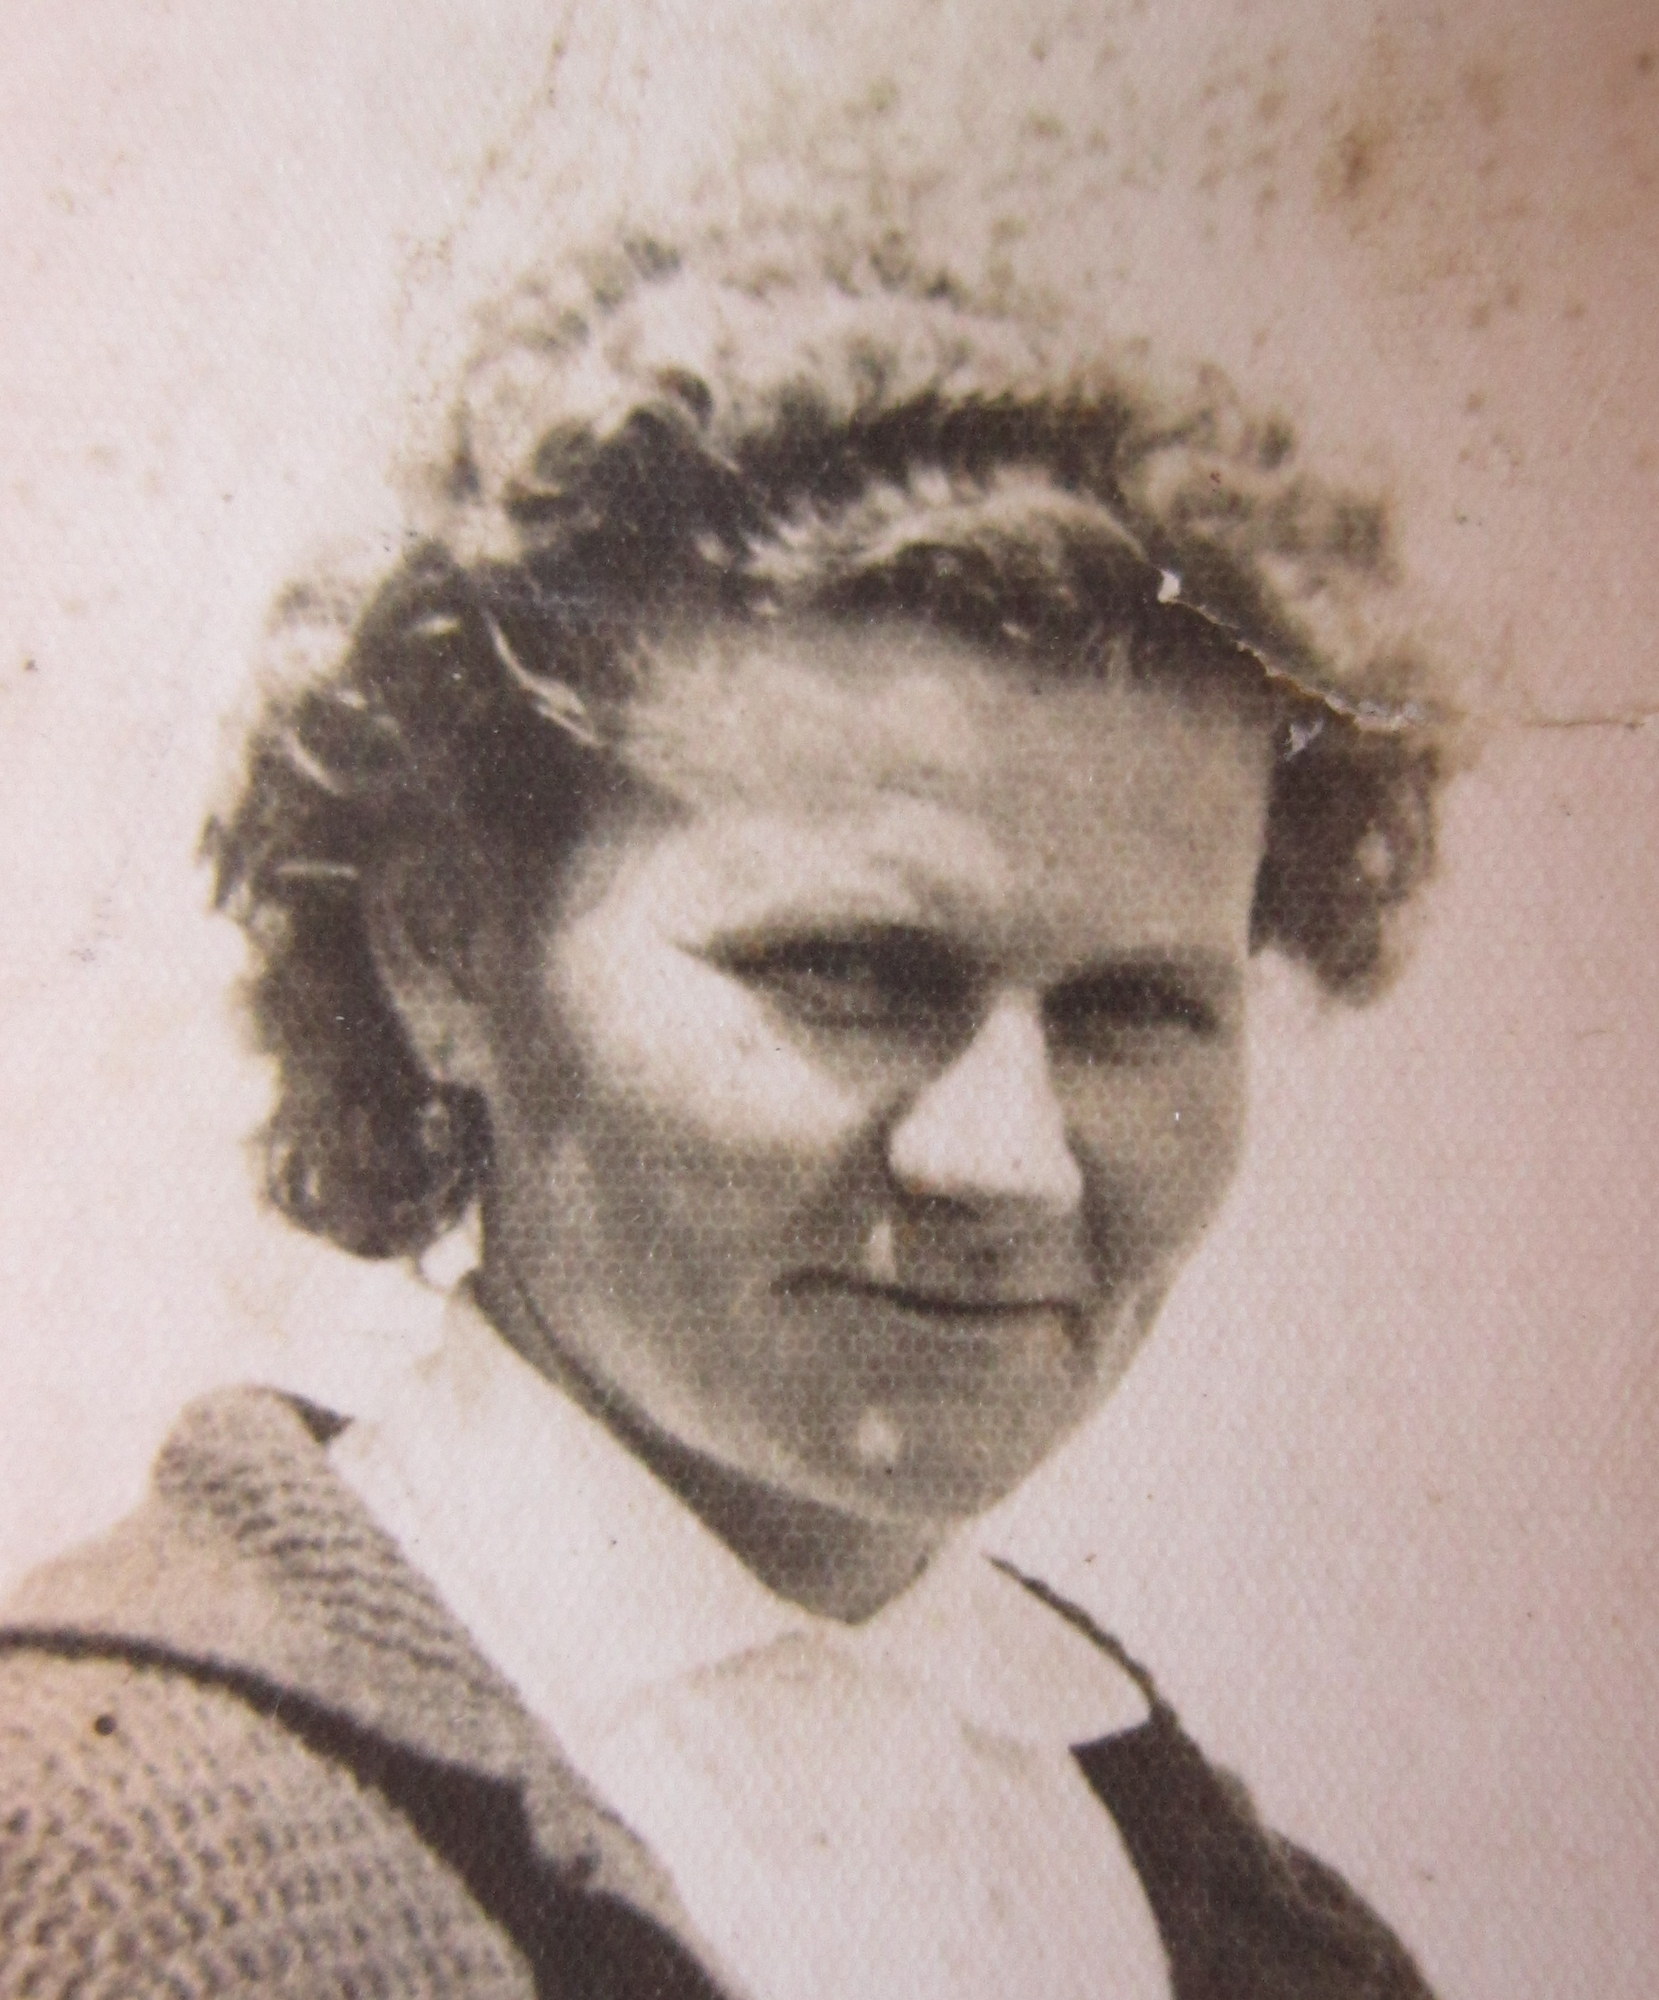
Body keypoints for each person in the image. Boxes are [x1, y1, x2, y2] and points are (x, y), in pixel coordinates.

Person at [0, 235, 1443, 1998]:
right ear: (444, 951)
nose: (1005, 1159)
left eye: (1135, 1010)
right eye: (851, 973)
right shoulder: (101, 1875)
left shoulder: (1255, 1931)